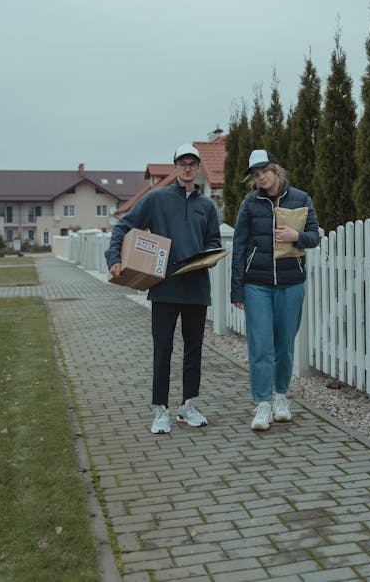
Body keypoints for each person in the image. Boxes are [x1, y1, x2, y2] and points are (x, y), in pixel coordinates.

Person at [105, 143, 221, 435]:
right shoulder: (156, 200)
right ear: (175, 167)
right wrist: (114, 258)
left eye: (192, 163)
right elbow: (123, 227)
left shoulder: (207, 206)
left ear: (198, 169)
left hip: (196, 288)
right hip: (164, 287)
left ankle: (187, 405)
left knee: (194, 350)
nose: (187, 168)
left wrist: (209, 257)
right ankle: (160, 410)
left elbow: (213, 242)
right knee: (162, 350)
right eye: (182, 163)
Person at [230, 149, 319, 431]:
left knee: (284, 345)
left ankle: (281, 397)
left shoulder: (301, 199)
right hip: (257, 285)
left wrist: (297, 237)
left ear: (276, 170)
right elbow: (239, 247)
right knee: (260, 346)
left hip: (292, 284)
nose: (261, 178)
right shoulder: (249, 203)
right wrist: (237, 291)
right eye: (256, 175)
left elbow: (315, 236)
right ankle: (262, 404)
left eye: (264, 172)